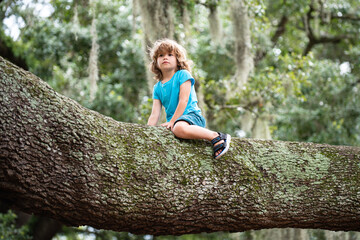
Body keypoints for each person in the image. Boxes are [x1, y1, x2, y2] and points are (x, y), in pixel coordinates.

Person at [147, 38, 231, 159]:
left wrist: (172, 121)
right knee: (175, 129)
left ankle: (217, 137)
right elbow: (154, 114)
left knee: (178, 128)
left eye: (170, 55)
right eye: (161, 55)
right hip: (175, 123)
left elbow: (184, 100)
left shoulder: (183, 75)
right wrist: (148, 131)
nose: (165, 57)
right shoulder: (157, 88)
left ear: (178, 60)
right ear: (156, 62)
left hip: (191, 116)